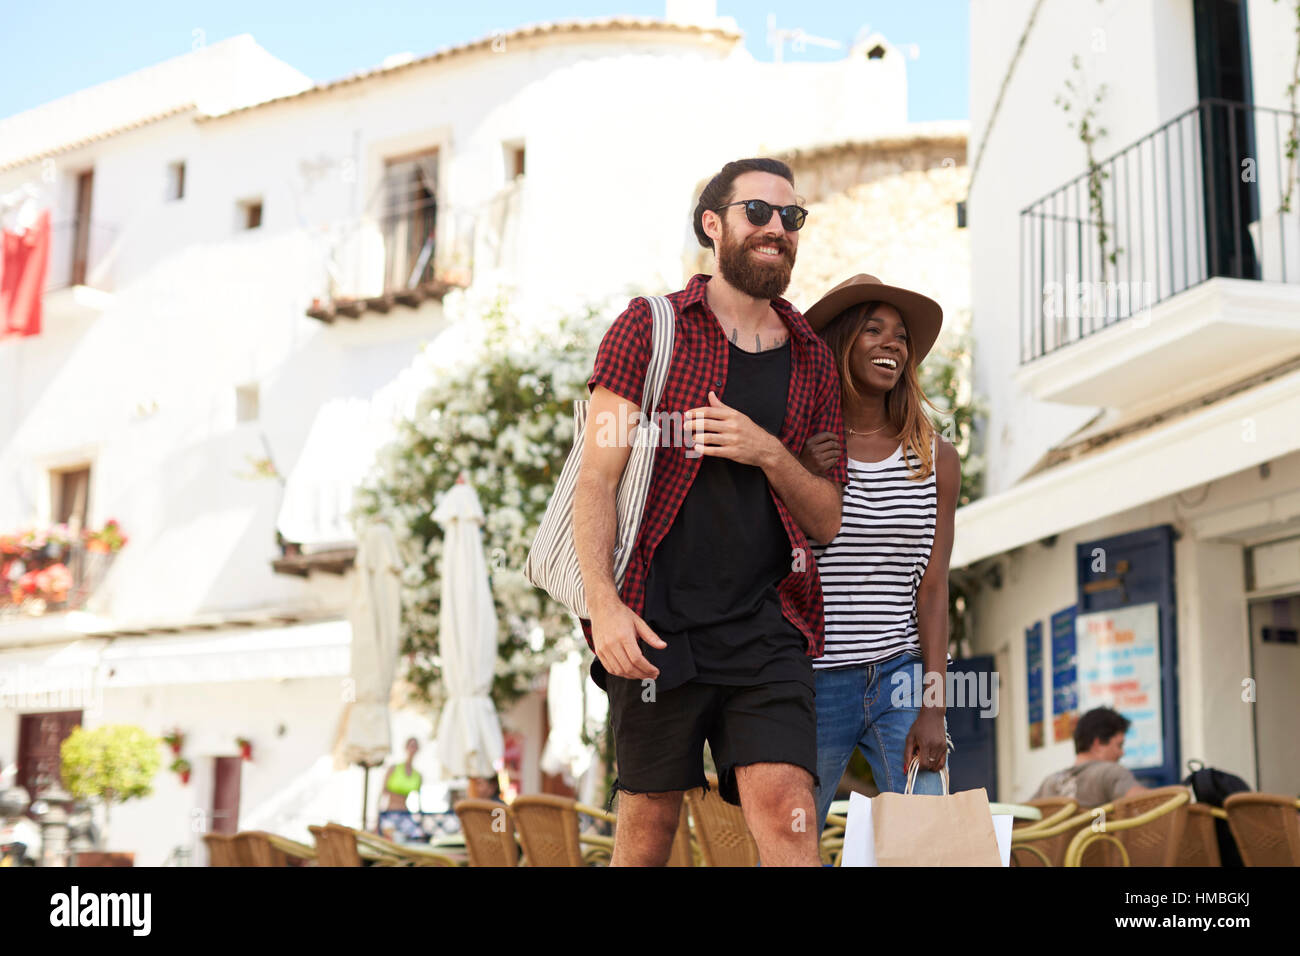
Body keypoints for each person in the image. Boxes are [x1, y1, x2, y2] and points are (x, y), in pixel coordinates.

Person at [574, 157, 848, 867]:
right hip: (655, 624)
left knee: (790, 822)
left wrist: (768, 452)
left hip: (766, 629)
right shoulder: (649, 328)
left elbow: (825, 519)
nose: (776, 229)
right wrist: (602, 604)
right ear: (712, 224)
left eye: (791, 218)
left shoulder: (814, 360)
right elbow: (596, 478)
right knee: (645, 836)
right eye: (757, 212)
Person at [797, 274, 959, 838]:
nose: (892, 343)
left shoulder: (935, 458)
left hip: (901, 677)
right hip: (814, 681)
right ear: (843, 343)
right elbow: (770, 562)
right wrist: (806, 478)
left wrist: (933, 706)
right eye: (873, 329)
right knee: (791, 843)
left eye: (900, 336)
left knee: (927, 836)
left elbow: (934, 588)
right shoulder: (801, 447)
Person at [1031, 706, 1149, 806]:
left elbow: (1017, 816)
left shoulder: (1049, 782)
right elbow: (1148, 803)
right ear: (1098, 744)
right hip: (1097, 833)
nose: (1122, 753)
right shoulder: (1111, 772)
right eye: (1119, 745)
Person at [382, 737, 423, 812]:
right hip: (390, 811)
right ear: (406, 747)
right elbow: (383, 792)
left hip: (405, 813)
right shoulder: (393, 768)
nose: (412, 749)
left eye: (415, 746)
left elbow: (419, 800)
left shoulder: (418, 776)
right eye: (411, 746)